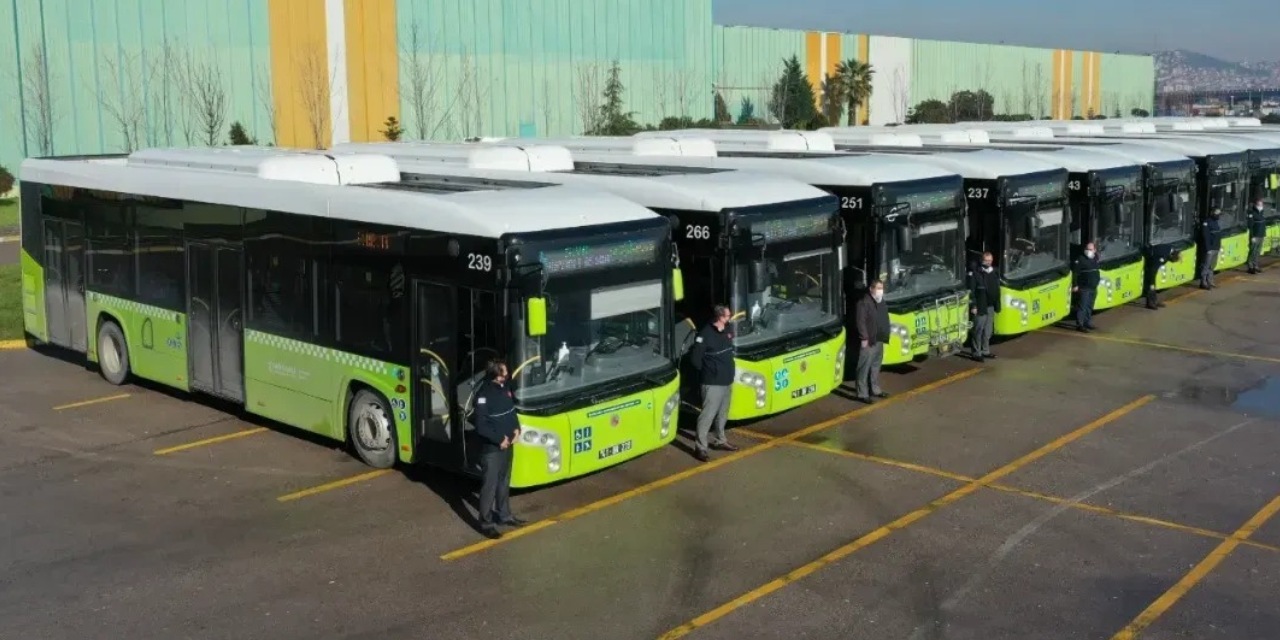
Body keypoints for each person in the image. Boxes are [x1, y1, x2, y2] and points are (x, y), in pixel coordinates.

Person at [473, 359, 525, 539]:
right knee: (490, 485)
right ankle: (486, 523)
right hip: (493, 449)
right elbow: (481, 426)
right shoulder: (483, 396)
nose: (507, 375)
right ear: (495, 375)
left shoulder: (505, 388)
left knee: (504, 481)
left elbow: (511, 411)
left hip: (509, 444)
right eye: (504, 373)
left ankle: (505, 515)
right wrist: (498, 440)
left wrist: (517, 430)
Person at [689, 304, 738, 462]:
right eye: (727, 316)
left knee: (723, 413)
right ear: (719, 317)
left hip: (727, 380)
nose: (730, 318)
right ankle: (701, 447)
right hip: (712, 382)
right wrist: (710, 371)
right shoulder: (705, 335)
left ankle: (720, 440)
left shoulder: (728, 329)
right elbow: (695, 359)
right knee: (707, 415)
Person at [853, 280, 891, 403]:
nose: (880, 290)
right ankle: (862, 393)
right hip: (869, 340)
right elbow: (861, 322)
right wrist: (864, 338)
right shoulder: (864, 303)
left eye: (882, 288)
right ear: (871, 289)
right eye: (878, 288)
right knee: (864, 367)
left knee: (876, 365)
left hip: (879, 338)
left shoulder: (880, 301)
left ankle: (875, 389)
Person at [968, 252, 1001, 362]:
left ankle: (985, 351)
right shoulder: (976, 273)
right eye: (986, 260)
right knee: (978, 330)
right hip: (980, 306)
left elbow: (997, 289)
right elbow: (971, 292)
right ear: (982, 260)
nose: (988, 263)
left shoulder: (994, 272)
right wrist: (973, 305)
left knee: (988, 331)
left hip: (990, 306)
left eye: (990, 260)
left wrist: (997, 305)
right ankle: (976, 353)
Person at [1071, 241, 1101, 332]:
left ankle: (1087, 322)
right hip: (1084, 288)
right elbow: (1075, 273)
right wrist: (1075, 285)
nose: (1088, 251)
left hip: (1093, 287)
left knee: (1089, 306)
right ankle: (1080, 325)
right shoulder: (1080, 259)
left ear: (1095, 250)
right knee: (1082, 306)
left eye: (1090, 249)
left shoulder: (1095, 258)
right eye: (1087, 249)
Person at [1143, 244, 1181, 310]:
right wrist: (1152, 278)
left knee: (1153, 285)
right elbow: (1153, 267)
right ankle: (1150, 303)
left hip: (1152, 262)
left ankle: (1154, 301)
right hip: (1150, 266)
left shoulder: (1169, 248)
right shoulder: (1163, 256)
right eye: (1172, 260)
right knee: (1151, 285)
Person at [1200, 208, 1222, 289]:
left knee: (1212, 266)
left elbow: (1218, 235)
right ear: (1212, 213)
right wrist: (1208, 248)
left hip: (1216, 247)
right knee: (1206, 266)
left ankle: (1210, 281)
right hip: (1210, 249)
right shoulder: (1207, 222)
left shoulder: (1216, 222)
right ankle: (1203, 282)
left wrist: (1219, 247)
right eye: (1217, 213)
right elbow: (1206, 236)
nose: (1218, 215)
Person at [1246, 198, 1267, 274]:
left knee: (1257, 251)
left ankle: (1255, 265)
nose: (1261, 205)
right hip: (1255, 236)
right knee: (1253, 251)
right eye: (1259, 204)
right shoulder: (1252, 214)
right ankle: (1250, 266)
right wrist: (1252, 236)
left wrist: (1264, 234)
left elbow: (1263, 224)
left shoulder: (1262, 213)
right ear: (1255, 205)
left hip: (1261, 235)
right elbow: (1250, 226)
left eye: (1261, 204)